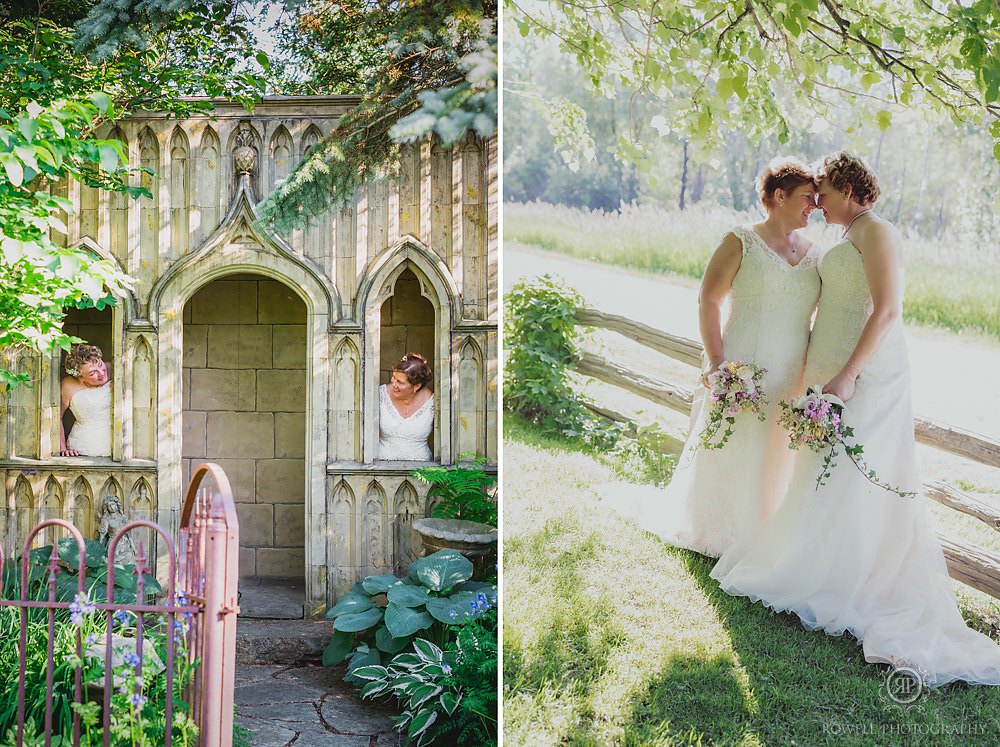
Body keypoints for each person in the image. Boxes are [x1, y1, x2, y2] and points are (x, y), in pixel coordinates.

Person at [711, 152, 1000, 686]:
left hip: (864, 374)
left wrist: (846, 375)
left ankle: (850, 578)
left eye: (822, 189)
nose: (816, 200)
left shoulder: (879, 232)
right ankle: (819, 565)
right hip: (829, 370)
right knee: (823, 471)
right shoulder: (846, 239)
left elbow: (887, 310)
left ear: (847, 187)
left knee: (856, 471)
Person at [603, 158, 820, 556]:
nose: (815, 206)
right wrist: (717, 362)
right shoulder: (740, 241)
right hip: (745, 366)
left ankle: (766, 529)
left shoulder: (815, 255)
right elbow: (709, 300)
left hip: (792, 373)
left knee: (775, 452)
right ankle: (718, 528)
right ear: (778, 195)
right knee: (733, 447)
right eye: (807, 198)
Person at [377, 352, 434, 460]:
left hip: (421, 471)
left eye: (400, 382)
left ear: (416, 386)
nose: (393, 383)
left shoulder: (433, 402)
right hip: (382, 470)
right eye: (393, 377)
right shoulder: (380, 394)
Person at [60, 344, 112, 457]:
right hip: (82, 448)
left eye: (100, 364)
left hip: (117, 447)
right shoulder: (68, 386)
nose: (102, 373)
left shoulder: (114, 370)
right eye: (93, 373)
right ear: (80, 377)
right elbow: (56, 418)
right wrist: (62, 448)